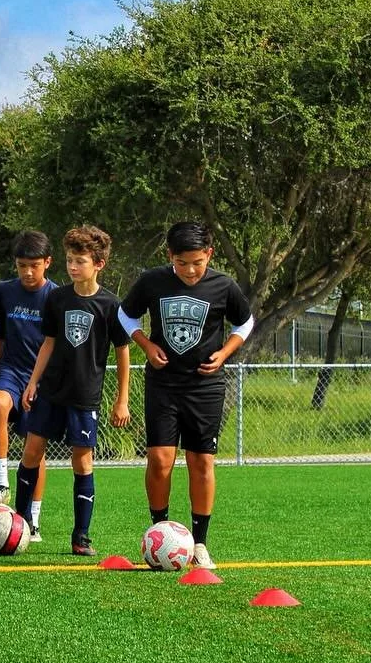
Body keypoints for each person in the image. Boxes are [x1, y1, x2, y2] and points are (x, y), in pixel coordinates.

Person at [118, 221, 254, 570]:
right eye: (182, 263)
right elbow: (125, 314)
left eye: (198, 262)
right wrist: (146, 345)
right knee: (160, 461)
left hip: (205, 387)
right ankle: (158, 533)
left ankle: (201, 542)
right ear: (170, 256)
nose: (191, 270)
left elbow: (245, 323)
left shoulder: (223, 285)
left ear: (209, 254)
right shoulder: (152, 281)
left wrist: (225, 353)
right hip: (163, 384)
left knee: (201, 462)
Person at [19, 226, 132, 556]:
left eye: (80, 261)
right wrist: (32, 382)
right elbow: (49, 343)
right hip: (51, 391)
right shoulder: (57, 298)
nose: (72, 266)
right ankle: (21, 524)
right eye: (69, 260)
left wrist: (121, 399)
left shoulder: (111, 305)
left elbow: (122, 351)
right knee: (31, 452)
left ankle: (81, 536)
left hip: (84, 396)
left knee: (82, 462)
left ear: (99, 264)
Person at [0, 230, 56, 541]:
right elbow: (0, 333)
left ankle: (32, 521)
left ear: (47, 263)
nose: (27, 272)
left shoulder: (56, 297)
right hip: (11, 371)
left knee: (34, 450)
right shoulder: (4, 291)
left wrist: (43, 382)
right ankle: (0, 483)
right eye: (21, 265)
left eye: (34, 265)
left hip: (40, 378)